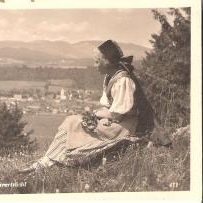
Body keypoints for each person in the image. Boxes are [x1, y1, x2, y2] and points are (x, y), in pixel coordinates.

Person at [19, 39, 163, 173]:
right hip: (116, 121)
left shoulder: (122, 80)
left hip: (125, 126)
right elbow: (109, 108)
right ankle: (49, 160)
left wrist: (96, 116)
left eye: (96, 62)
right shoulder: (111, 77)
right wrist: (96, 115)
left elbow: (119, 113)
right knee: (72, 121)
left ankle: (48, 162)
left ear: (106, 61)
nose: (94, 65)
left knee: (73, 122)